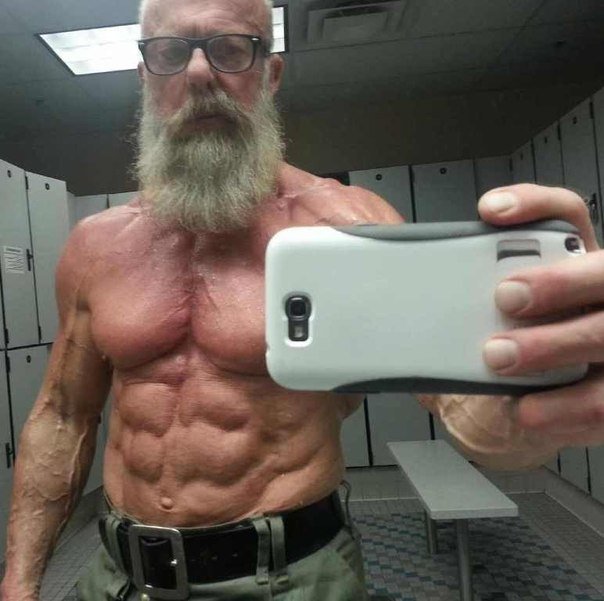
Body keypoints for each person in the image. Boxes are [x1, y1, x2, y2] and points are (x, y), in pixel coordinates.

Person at [1, 0, 604, 599]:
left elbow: (460, 406)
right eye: (170, 52)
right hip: (120, 576)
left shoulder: (346, 227)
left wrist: (534, 407)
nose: (199, 73)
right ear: (144, 76)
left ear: (271, 73)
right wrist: (20, 583)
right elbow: (62, 416)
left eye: (230, 49)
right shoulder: (97, 246)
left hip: (289, 579)